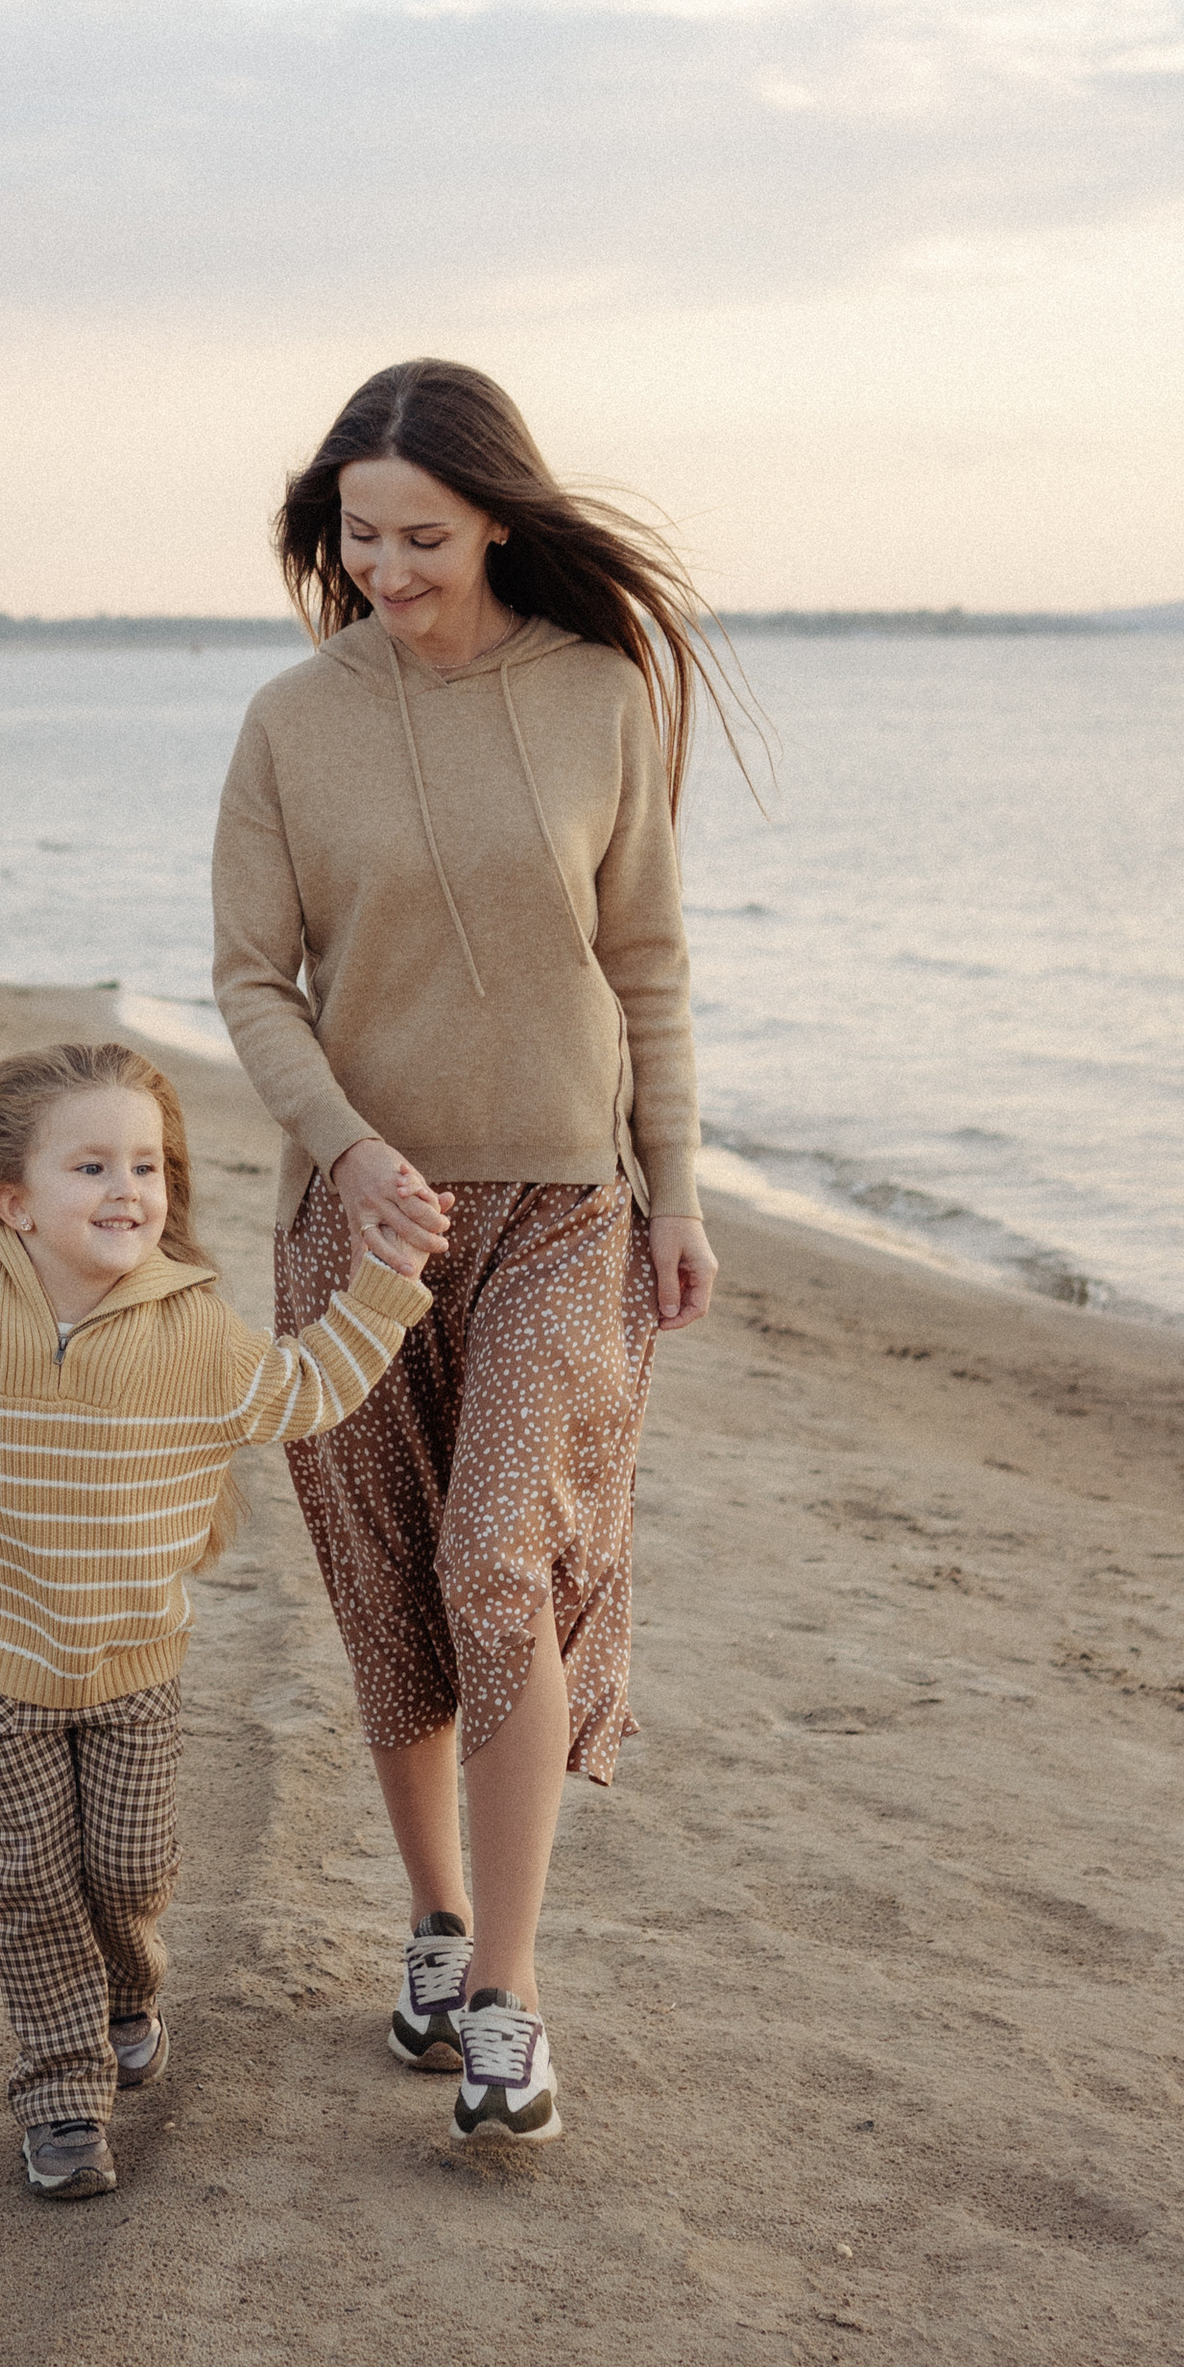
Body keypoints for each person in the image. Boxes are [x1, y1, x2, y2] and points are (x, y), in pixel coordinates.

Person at [212, 358, 730, 2150]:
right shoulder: (293, 721)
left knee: (498, 1562)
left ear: (500, 515)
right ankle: (432, 1922)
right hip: (359, 1224)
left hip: (565, 1208)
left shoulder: (597, 696)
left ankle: (506, 1993)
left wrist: (678, 1185)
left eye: (423, 536)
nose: (387, 569)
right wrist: (348, 1156)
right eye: (358, 536)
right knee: (390, 1597)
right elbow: (248, 981)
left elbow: (646, 960)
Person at [0, 1041, 436, 2198]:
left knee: (125, 1873)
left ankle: (128, 1990)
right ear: (11, 1202)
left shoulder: (195, 1335)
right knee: (32, 1880)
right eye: (90, 1166)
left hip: (133, 1657)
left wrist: (383, 1284)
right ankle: (62, 2097)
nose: (127, 1189)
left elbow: (304, 1390)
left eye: (145, 1164)